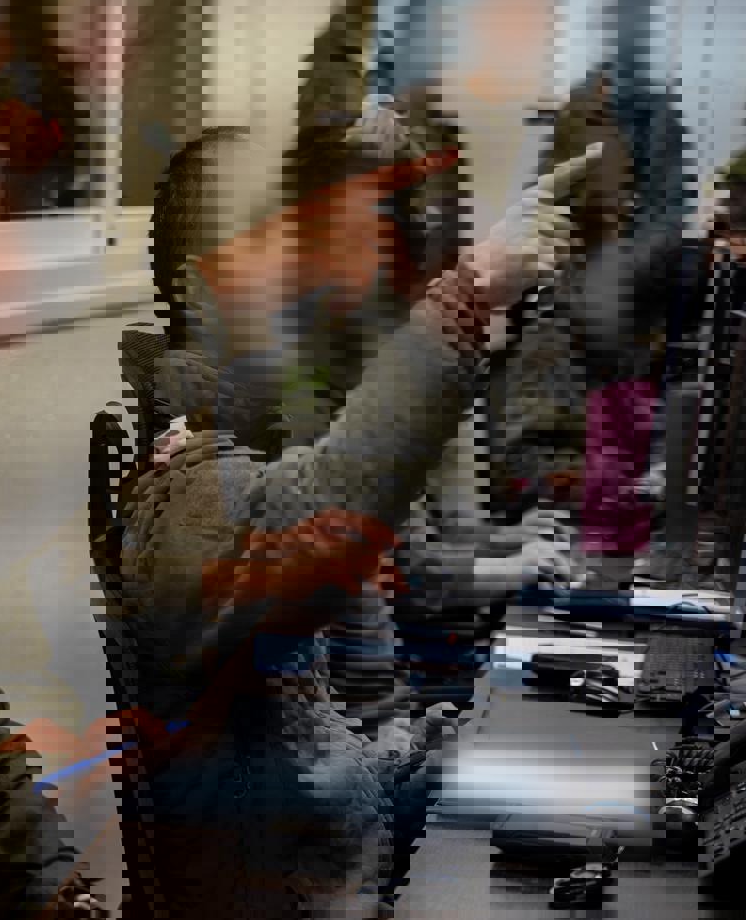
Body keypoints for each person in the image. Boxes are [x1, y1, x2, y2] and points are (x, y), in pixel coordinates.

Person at [94, 144, 601, 919]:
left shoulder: (247, 443)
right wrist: (472, 294)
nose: (335, 279)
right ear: (206, 284)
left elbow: (327, 767)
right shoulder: (180, 491)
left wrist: (432, 766)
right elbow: (330, 516)